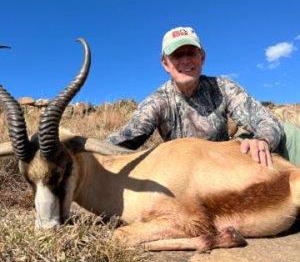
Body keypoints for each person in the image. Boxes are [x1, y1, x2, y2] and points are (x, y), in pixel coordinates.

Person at [107, 26, 298, 168]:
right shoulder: (157, 102)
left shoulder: (223, 87)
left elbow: (265, 119)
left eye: (191, 53)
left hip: (227, 161)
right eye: (176, 55)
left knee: (288, 133)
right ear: (165, 64)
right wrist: (81, 146)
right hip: (190, 174)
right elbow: (125, 140)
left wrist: (263, 140)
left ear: (202, 58)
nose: (185, 60)